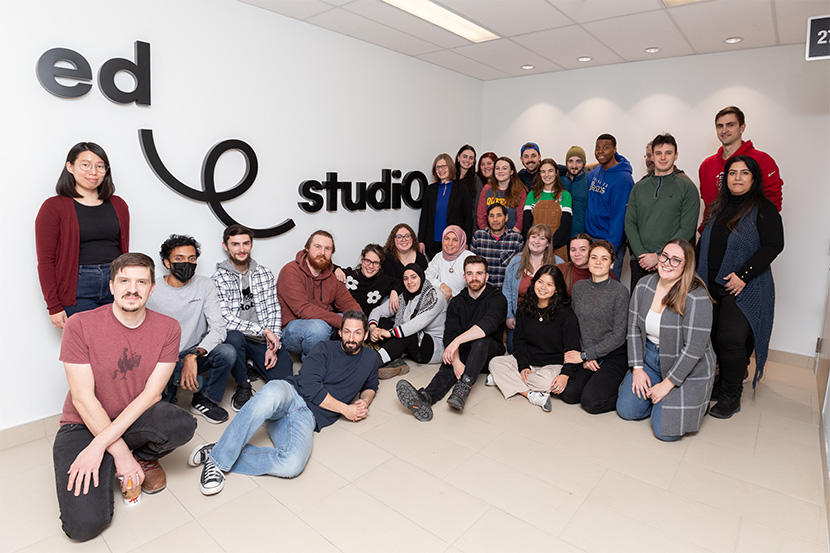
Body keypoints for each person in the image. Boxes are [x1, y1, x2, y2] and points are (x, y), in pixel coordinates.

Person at [52, 253, 196, 541]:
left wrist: (107, 448)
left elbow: (152, 394)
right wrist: (117, 453)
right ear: (112, 287)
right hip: (83, 424)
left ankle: (141, 458)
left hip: (134, 416)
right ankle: (122, 461)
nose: (133, 289)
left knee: (181, 423)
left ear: (152, 288)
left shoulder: (169, 328)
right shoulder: (79, 325)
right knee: (83, 527)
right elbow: (83, 400)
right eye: (125, 281)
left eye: (141, 281)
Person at [187, 311, 378, 495]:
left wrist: (364, 402)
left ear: (365, 334)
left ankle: (219, 450)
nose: (351, 338)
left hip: (307, 418)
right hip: (291, 393)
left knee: (292, 464)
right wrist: (346, 410)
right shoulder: (324, 348)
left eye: (357, 332)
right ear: (340, 332)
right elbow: (310, 386)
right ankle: (219, 461)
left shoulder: (370, 359)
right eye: (347, 332)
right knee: (269, 393)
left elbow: (371, 384)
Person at [697, 155, 783, 418]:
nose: (737, 178)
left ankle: (731, 396)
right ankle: (721, 383)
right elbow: (704, 243)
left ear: (754, 178)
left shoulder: (763, 208)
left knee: (731, 340)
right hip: (710, 284)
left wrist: (743, 275)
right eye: (732, 173)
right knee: (711, 337)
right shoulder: (717, 207)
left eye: (744, 173)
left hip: (743, 286)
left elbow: (773, 245)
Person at [616, 239, 716, 441]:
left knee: (664, 431)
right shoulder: (644, 285)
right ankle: (658, 401)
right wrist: (637, 368)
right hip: (650, 360)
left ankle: (691, 401)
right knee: (627, 410)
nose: (667, 263)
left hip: (687, 368)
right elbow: (634, 328)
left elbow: (693, 350)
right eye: (665, 256)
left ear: (686, 266)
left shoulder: (697, 297)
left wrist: (668, 384)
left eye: (676, 260)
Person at [396, 255, 507, 420]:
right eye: (470, 273)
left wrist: (456, 342)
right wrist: (455, 361)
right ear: (464, 277)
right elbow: (450, 334)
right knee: (448, 363)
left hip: (488, 354)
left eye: (479, 273)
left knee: (480, 341)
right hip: (464, 352)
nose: (474, 278)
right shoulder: (457, 302)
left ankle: (463, 388)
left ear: (486, 276)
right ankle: (426, 397)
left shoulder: (497, 298)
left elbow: (486, 326)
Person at [147, 235, 241, 423]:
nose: (187, 263)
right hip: (163, 359)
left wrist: (193, 356)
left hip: (194, 353)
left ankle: (204, 399)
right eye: (179, 259)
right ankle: (171, 391)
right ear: (167, 262)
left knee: (228, 351)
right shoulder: (151, 289)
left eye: (192, 259)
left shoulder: (205, 285)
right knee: (163, 415)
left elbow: (218, 328)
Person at [36, 142, 130, 329]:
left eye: (100, 166)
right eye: (85, 165)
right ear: (70, 167)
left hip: (116, 283)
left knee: (117, 347)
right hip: (78, 286)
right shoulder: (54, 207)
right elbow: (46, 260)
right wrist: (53, 306)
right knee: (86, 349)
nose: (93, 172)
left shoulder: (119, 204)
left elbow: (123, 251)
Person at [488, 265, 581, 412]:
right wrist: (523, 365)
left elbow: (572, 349)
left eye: (549, 284)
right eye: (540, 282)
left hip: (553, 365)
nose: (543, 287)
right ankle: (530, 394)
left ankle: (505, 379)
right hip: (529, 361)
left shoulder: (566, 314)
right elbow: (519, 341)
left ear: (556, 289)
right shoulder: (525, 308)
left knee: (547, 382)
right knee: (495, 362)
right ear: (534, 283)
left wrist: (565, 375)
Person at [212, 224, 293, 387]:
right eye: (235, 244)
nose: (241, 249)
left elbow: (274, 309)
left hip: (261, 339)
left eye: (245, 243)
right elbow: (224, 319)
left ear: (251, 244)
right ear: (225, 247)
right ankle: (243, 384)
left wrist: (273, 344)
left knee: (285, 379)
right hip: (237, 338)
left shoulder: (265, 273)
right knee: (233, 336)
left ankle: (253, 362)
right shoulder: (217, 279)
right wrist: (264, 330)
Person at [558, 240, 629, 414]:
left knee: (591, 402)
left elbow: (619, 335)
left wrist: (587, 355)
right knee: (569, 394)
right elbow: (576, 326)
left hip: (613, 354)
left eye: (604, 259)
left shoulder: (620, 292)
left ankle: (622, 390)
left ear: (612, 264)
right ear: (588, 261)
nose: (598, 262)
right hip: (587, 352)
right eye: (594, 257)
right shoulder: (579, 288)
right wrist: (585, 356)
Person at [625, 134, 699, 289]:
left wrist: (660, 256)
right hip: (640, 262)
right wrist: (642, 256)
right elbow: (630, 223)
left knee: (670, 310)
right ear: (652, 156)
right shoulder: (639, 187)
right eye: (658, 153)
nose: (663, 157)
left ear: (676, 155)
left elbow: (687, 229)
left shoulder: (687, 188)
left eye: (668, 153)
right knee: (640, 309)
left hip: (672, 263)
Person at [277, 230, 362, 360]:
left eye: (327, 249)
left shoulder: (331, 276)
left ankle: (344, 361)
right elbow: (303, 309)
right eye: (317, 247)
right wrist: (343, 323)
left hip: (322, 324)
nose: (322, 252)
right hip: (291, 330)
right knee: (320, 327)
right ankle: (312, 368)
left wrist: (360, 324)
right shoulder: (290, 271)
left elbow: (349, 304)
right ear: (307, 248)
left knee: (351, 318)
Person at [368, 263, 447, 379]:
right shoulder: (404, 296)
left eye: (413, 277)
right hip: (412, 343)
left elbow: (416, 324)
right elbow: (377, 311)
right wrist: (373, 328)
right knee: (383, 322)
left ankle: (371, 363)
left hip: (432, 348)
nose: (409, 282)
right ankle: (396, 359)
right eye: (406, 279)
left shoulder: (435, 295)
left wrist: (390, 333)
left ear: (421, 277)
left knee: (407, 333)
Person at [698, 105, 783, 212]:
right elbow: (708, 205)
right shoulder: (706, 165)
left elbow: (773, 204)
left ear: (742, 128)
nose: (724, 130)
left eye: (730, 125)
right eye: (720, 126)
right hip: (714, 227)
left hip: (749, 227)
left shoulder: (763, 160)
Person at [585, 133, 635, 280]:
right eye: (597, 148)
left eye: (605, 148)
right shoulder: (596, 172)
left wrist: (610, 247)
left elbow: (620, 216)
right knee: (592, 285)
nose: (600, 151)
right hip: (591, 238)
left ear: (615, 150)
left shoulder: (624, 179)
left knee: (609, 285)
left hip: (609, 241)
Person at [503, 223, 557, 353]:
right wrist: (509, 316)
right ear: (528, 239)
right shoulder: (516, 262)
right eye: (533, 237)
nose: (536, 241)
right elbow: (507, 291)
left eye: (542, 238)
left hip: (547, 320)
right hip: (519, 319)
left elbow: (560, 296)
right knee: (513, 349)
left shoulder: (558, 264)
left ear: (548, 243)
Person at [418, 153, 472, 258]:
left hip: (454, 242)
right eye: (438, 167)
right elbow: (424, 217)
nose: (441, 170)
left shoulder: (461, 188)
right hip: (432, 242)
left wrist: (466, 242)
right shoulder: (430, 189)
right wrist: (421, 240)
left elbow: (468, 218)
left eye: (444, 166)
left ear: (450, 167)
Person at [523, 157, 573, 259]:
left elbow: (565, 227)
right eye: (543, 172)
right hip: (535, 249)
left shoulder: (565, 195)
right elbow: (527, 225)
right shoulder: (532, 195)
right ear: (539, 174)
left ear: (556, 173)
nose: (547, 175)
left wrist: (548, 246)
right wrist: (538, 245)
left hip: (558, 248)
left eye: (550, 171)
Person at [471, 203, 524, 288]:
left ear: (506, 218)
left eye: (499, 215)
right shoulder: (479, 237)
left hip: (505, 291)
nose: (495, 219)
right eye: (491, 216)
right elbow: (471, 265)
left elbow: (519, 271)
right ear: (487, 218)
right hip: (481, 290)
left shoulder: (516, 239)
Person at [336, 243, 396, 317]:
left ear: (380, 265)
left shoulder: (383, 281)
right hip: (343, 318)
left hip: (365, 322)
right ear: (362, 260)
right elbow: (325, 267)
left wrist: (394, 292)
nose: (371, 266)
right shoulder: (349, 275)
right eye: (367, 261)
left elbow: (400, 283)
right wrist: (336, 269)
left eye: (376, 263)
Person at [476, 156, 527, 232]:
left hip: (512, 236)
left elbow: (521, 217)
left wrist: (512, 234)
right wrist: (487, 232)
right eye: (497, 168)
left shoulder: (520, 191)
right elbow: (481, 216)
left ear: (511, 171)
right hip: (489, 236)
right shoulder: (487, 189)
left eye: (504, 168)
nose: (500, 171)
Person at [425, 225, 474, 302]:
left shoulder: (469, 257)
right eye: (447, 239)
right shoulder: (439, 256)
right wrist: (440, 285)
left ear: (461, 241)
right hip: (442, 303)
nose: (450, 243)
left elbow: (475, 283)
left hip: (465, 304)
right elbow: (426, 276)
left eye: (455, 240)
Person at [561, 146, 589, 238]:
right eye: (570, 161)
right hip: (561, 235)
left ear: (584, 163)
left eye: (578, 161)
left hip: (581, 235)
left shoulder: (589, 181)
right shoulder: (560, 181)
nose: (574, 165)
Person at [456, 144, 481, 218]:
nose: (467, 160)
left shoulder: (476, 180)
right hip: (450, 222)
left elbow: (477, 206)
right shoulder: (450, 177)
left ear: (473, 161)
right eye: (465, 156)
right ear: (458, 158)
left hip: (468, 221)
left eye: (471, 158)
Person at [474, 151, 498, 224]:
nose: (485, 167)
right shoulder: (476, 183)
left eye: (489, 163)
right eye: (482, 164)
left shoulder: (503, 184)